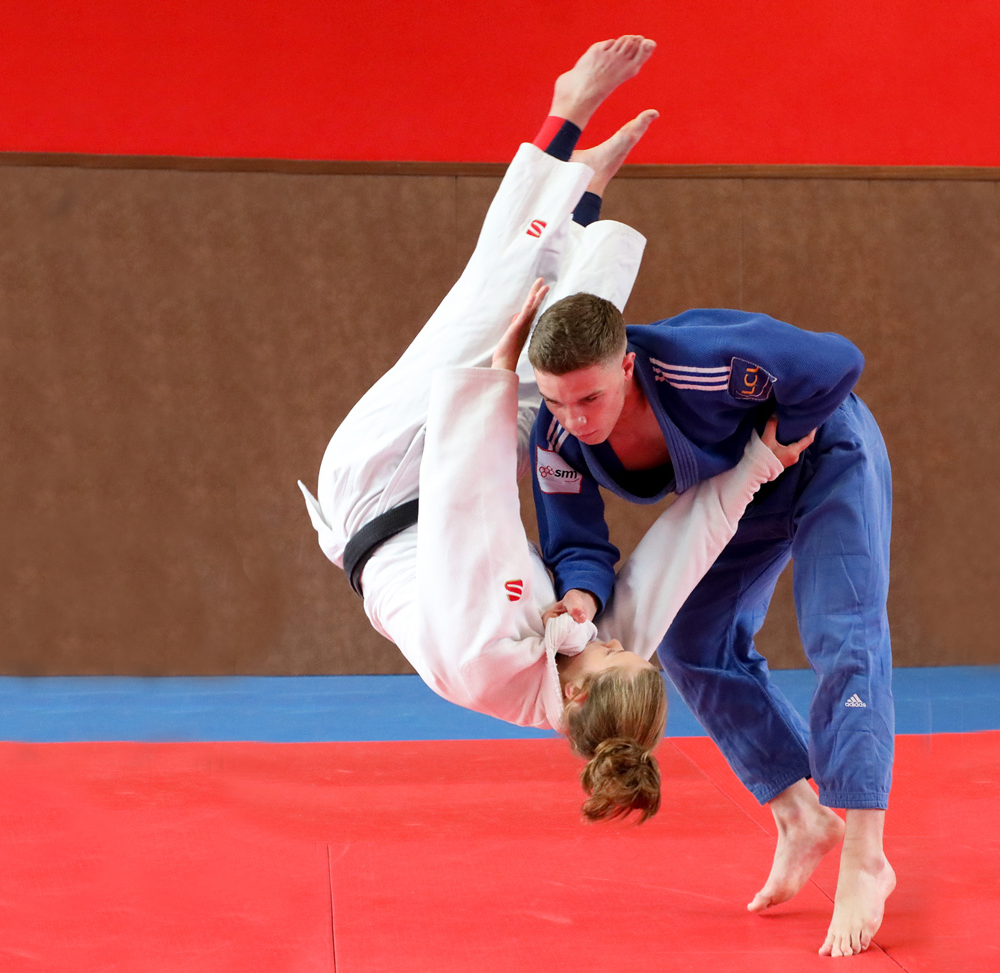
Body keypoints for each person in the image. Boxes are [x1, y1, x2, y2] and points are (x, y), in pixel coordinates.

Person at [298, 37, 810, 822]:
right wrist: (756, 465)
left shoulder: (483, 657)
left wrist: (491, 379)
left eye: (607, 650)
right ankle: (584, 198)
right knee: (572, 382)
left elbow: (476, 512)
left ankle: (565, 116)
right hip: (444, 487)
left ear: (574, 701)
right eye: (619, 645)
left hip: (379, 484)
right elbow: (678, 556)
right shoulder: (601, 665)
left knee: (490, 310)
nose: (608, 637)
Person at [526, 293, 896, 955]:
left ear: (629, 367)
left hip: (825, 453)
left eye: (589, 399)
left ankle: (866, 851)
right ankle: (799, 816)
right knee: (692, 641)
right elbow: (574, 540)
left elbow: (839, 359)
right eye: (555, 400)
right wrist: (581, 596)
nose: (573, 419)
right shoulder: (554, 436)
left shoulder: (704, 361)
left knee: (842, 632)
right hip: (750, 487)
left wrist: (787, 432)